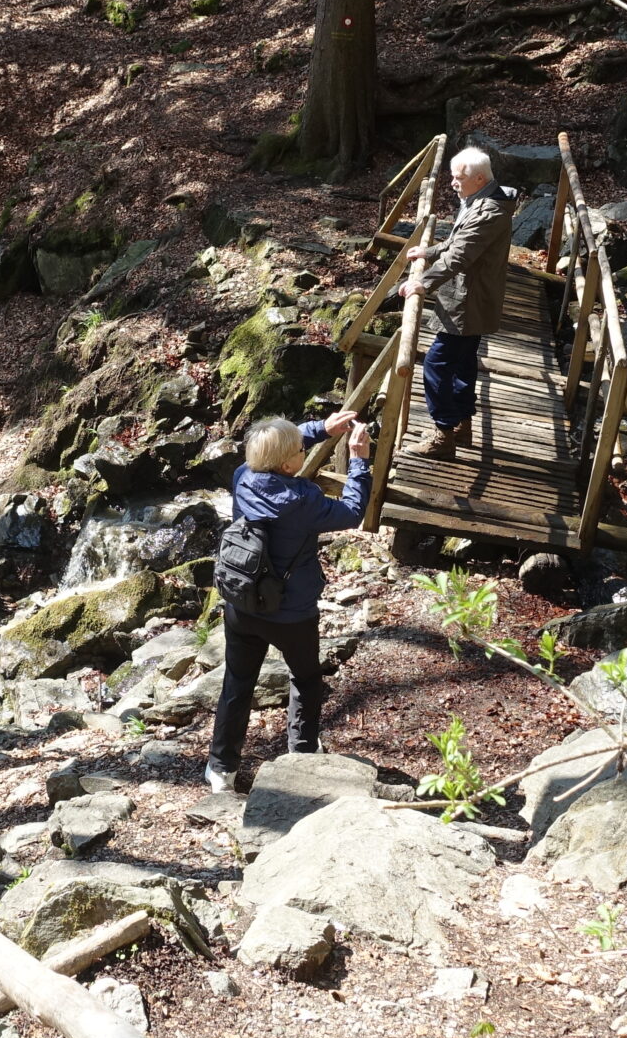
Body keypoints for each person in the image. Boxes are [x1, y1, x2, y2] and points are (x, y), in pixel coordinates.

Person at [206, 411, 371, 793]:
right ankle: (302, 752)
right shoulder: (303, 499)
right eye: (300, 448)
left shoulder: (242, 476)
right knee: (305, 678)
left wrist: (320, 430)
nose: (303, 450)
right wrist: (359, 462)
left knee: (237, 683)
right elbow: (351, 512)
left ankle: (221, 769)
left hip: (243, 604)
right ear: (286, 464)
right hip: (291, 613)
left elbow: (280, 448)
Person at [400, 147, 517, 459]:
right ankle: (462, 426)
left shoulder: (490, 211)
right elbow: (457, 240)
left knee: (436, 364)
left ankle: (443, 434)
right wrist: (429, 252)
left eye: (458, 178)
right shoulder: (480, 201)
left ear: (479, 179)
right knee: (463, 363)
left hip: (469, 300)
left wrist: (423, 282)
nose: (453, 183)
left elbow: (461, 255)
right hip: (473, 296)